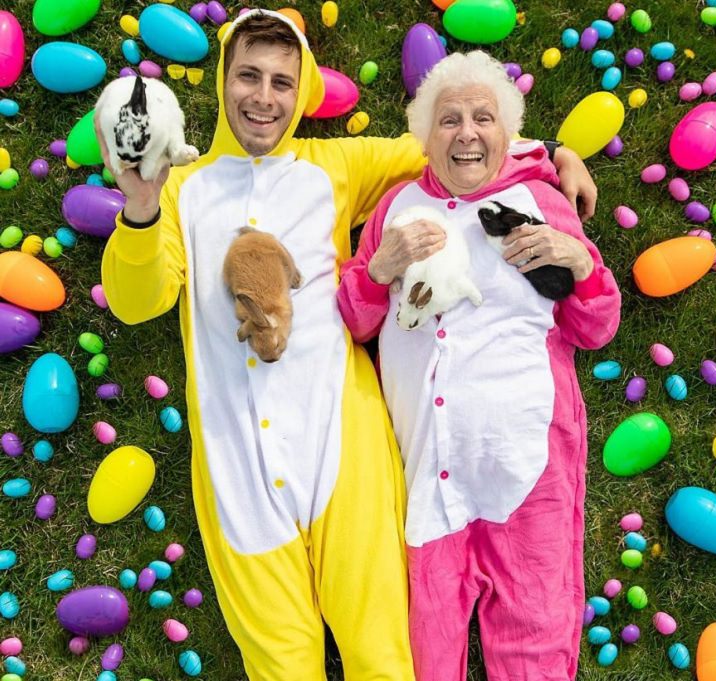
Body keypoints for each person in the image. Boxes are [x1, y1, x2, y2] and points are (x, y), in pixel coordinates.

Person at [100, 9, 600, 680]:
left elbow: (454, 147)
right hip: (236, 464)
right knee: (283, 665)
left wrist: (556, 155)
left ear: (302, 90)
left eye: (283, 81)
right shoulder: (181, 190)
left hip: (345, 446)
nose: (263, 97)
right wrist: (139, 207)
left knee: (384, 658)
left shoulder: (337, 163)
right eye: (248, 76)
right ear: (222, 82)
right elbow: (139, 303)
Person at [336, 50, 621, 681]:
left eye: (483, 118)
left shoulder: (542, 201)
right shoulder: (396, 207)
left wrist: (580, 263)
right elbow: (354, 325)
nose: (467, 132)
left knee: (535, 652)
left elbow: (595, 328)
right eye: (449, 119)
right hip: (424, 481)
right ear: (425, 136)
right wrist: (381, 268)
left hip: (526, 474)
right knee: (420, 661)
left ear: (507, 133)